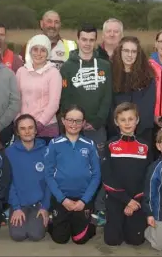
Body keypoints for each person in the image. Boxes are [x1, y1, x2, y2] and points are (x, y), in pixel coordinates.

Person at [44, 105, 101, 245]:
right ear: (63, 121)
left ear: (83, 123)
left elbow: (96, 176)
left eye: (78, 121)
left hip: (83, 199)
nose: (73, 124)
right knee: (60, 239)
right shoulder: (54, 144)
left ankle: (90, 220)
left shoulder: (90, 144)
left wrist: (84, 200)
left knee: (79, 240)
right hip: (61, 198)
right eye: (70, 120)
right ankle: (56, 219)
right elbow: (48, 175)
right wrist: (63, 199)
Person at [100, 102, 153, 246]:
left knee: (136, 241)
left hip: (137, 200)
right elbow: (107, 177)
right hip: (116, 198)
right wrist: (125, 200)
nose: (127, 123)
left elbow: (149, 177)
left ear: (137, 120)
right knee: (112, 241)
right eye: (123, 120)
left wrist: (134, 201)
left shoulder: (145, 146)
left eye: (131, 119)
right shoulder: (110, 145)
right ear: (116, 122)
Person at [59, 24, 113, 148]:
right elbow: (65, 98)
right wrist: (75, 121)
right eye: (84, 39)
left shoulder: (105, 65)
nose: (87, 44)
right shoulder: (67, 67)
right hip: (75, 126)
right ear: (78, 40)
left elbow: (107, 96)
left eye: (91, 40)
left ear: (95, 41)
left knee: (97, 163)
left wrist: (97, 121)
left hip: (97, 127)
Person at [5, 114, 50, 242]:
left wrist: (45, 207)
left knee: (35, 235)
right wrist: (16, 207)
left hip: (39, 204)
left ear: (36, 130)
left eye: (30, 128)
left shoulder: (46, 151)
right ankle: (15, 212)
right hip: (19, 204)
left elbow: (50, 182)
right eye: (23, 128)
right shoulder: (9, 152)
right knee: (18, 236)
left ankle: (48, 218)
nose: (27, 131)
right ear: (18, 132)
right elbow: (8, 182)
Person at [109, 36, 156, 143]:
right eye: (126, 50)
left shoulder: (147, 76)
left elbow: (147, 106)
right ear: (119, 52)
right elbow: (109, 103)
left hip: (141, 133)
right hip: (115, 132)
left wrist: (133, 128)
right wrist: (119, 126)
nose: (129, 55)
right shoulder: (110, 73)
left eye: (133, 51)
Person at [15, 34, 62, 142]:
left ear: (48, 53)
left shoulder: (54, 73)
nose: (38, 53)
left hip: (46, 128)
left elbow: (54, 104)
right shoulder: (21, 71)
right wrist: (19, 122)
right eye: (35, 49)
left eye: (43, 50)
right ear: (30, 51)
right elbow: (16, 100)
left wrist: (37, 125)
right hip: (23, 129)